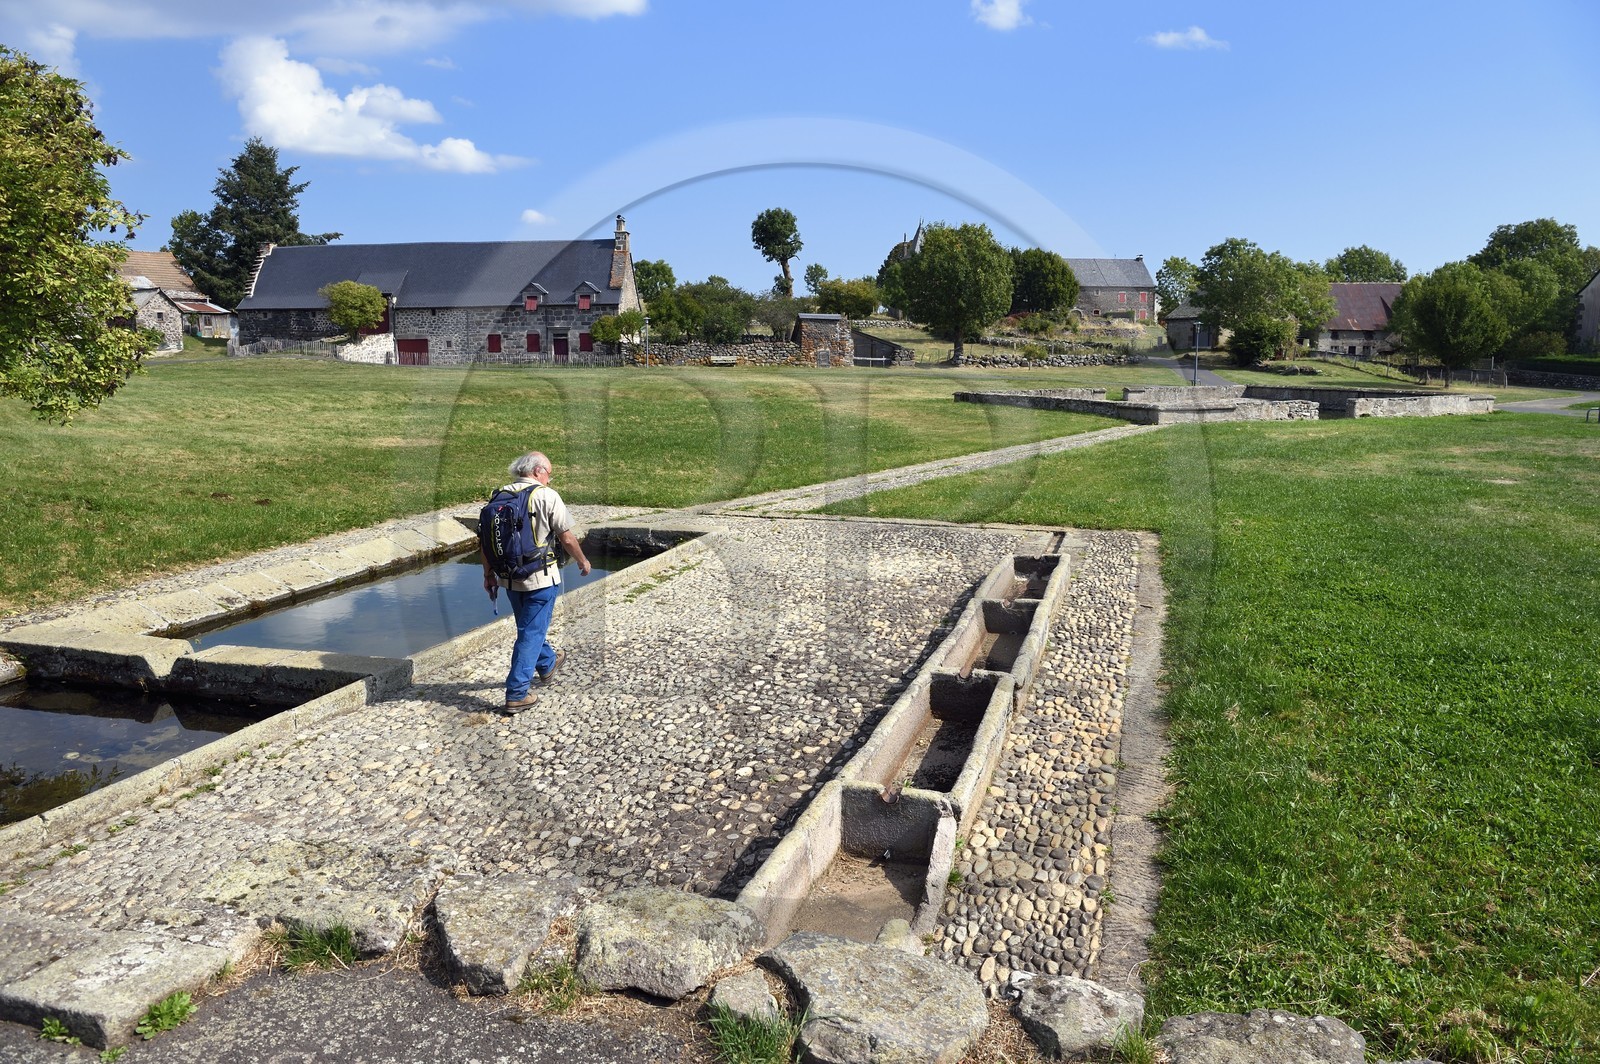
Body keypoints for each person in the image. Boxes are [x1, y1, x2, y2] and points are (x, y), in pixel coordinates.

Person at [481, 451, 590, 713]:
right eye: (549, 474)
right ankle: (517, 693)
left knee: (529, 627)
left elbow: (485, 542)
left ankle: (548, 662)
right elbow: (566, 537)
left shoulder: (498, 497)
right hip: (540, 578)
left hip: (509, 578)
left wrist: (488, 574)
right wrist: (582, 560)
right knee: (530, 633)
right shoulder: (546, 496)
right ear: (538, 471)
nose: (549, 479)